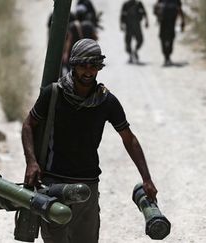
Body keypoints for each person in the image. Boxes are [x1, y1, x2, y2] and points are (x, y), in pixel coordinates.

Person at [21, 39, 158, 243]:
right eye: (83, 65)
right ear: (74, 64)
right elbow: (28, 125)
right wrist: (31, 162)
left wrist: (146, 178)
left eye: (93, 65)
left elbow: (129, 140)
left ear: (99, 68)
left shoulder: (106, 101)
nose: (88, 71)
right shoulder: (53, 94)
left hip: (88, 187)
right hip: (53, 185)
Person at [61, 5, 98, 75]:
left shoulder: (72, 26)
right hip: (87, 54)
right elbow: (95, 38)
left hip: (74, 54)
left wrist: (65, 53)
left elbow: (69, 41)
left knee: (72, 74)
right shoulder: (89, 25)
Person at [153, 0, 185, 66]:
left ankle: (166, 57)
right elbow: (180, 10)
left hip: (165, 23)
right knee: (169, 39)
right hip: (169, 23)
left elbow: (155, 9)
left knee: (165, 39)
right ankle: (167, 57)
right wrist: (182, 21)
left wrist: (158, 16)